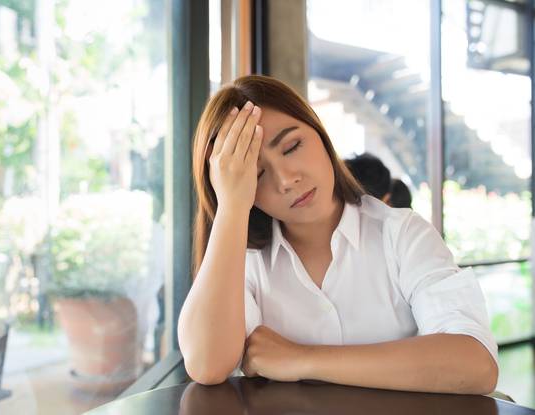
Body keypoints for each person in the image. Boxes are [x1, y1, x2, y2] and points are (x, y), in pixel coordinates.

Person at [177, 75, 498, 394]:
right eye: (257, 173)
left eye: (292, 147)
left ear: (319, 133)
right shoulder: (243, 261)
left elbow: (475, 364)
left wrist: (301, 359)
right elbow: (207, 364)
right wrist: (232, 206)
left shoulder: (401, 234)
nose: (287, 179)